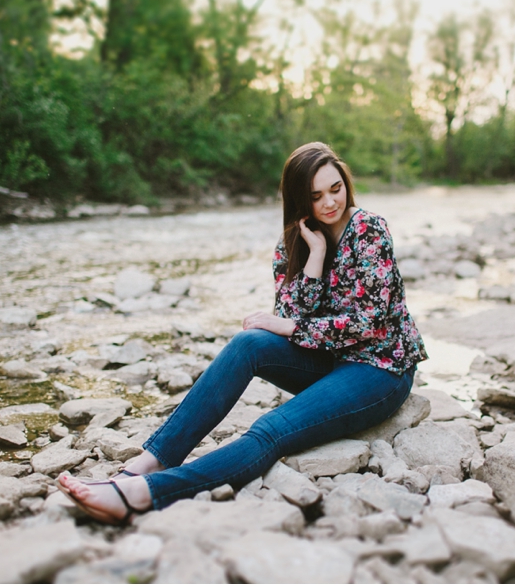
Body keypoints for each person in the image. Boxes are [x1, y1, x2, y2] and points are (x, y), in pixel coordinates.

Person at [57, 142, 428, 525]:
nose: (331, 202)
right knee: (247, 344)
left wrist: (295, 327)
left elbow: (370, 321)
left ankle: (144, 494)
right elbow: (287, 320)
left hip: (379, 368)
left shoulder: (368, 230)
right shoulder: (294, 243)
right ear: (300, 200)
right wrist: (315, 258)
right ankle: (146, 463)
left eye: (336, 188)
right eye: (316, 196)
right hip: (331, 359)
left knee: (271, 428)